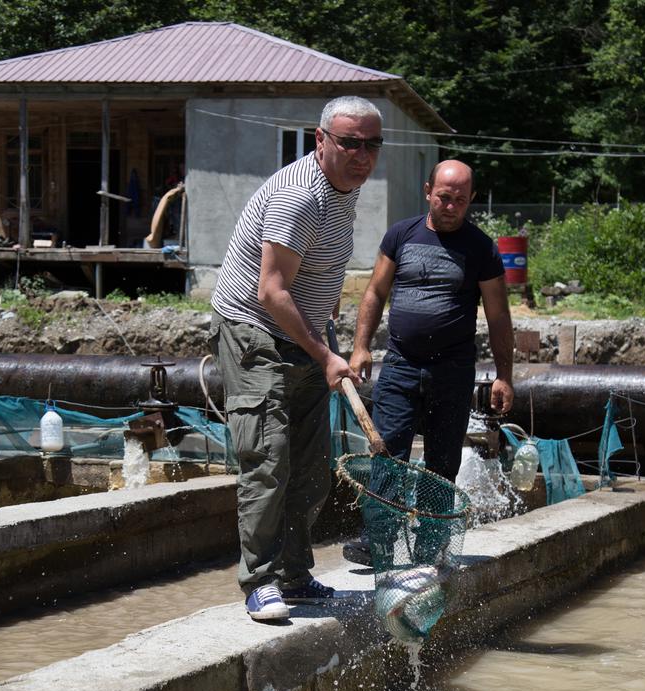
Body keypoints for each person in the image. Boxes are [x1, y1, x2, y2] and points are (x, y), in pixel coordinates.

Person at [210, 96, 383, 621]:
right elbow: (270, 291)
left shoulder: (344, 191)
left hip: (305, 334)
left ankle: (295, 576)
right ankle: (260, 582)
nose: (361, 154)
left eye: (371, 144)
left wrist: (326, 338)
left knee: (311, 468)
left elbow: (318, 276)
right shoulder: (299, 196)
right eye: (349, 142)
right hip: (255, 329)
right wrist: (325, 354)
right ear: (321, 139)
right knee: (269, 456)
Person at [344, 159, 515, 565]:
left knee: (442, 461)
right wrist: (360, 346)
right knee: (387, 451)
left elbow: (498, 315)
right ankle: (379, 540)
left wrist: (504, 376)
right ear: (427, 191)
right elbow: (374, 293)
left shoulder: (481, 249)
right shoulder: (400, 235)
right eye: (443, 196)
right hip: (401, 363)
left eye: (459, 199)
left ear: (471, 199)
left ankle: (431, 545)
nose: (450, 205)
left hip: (452, 370)